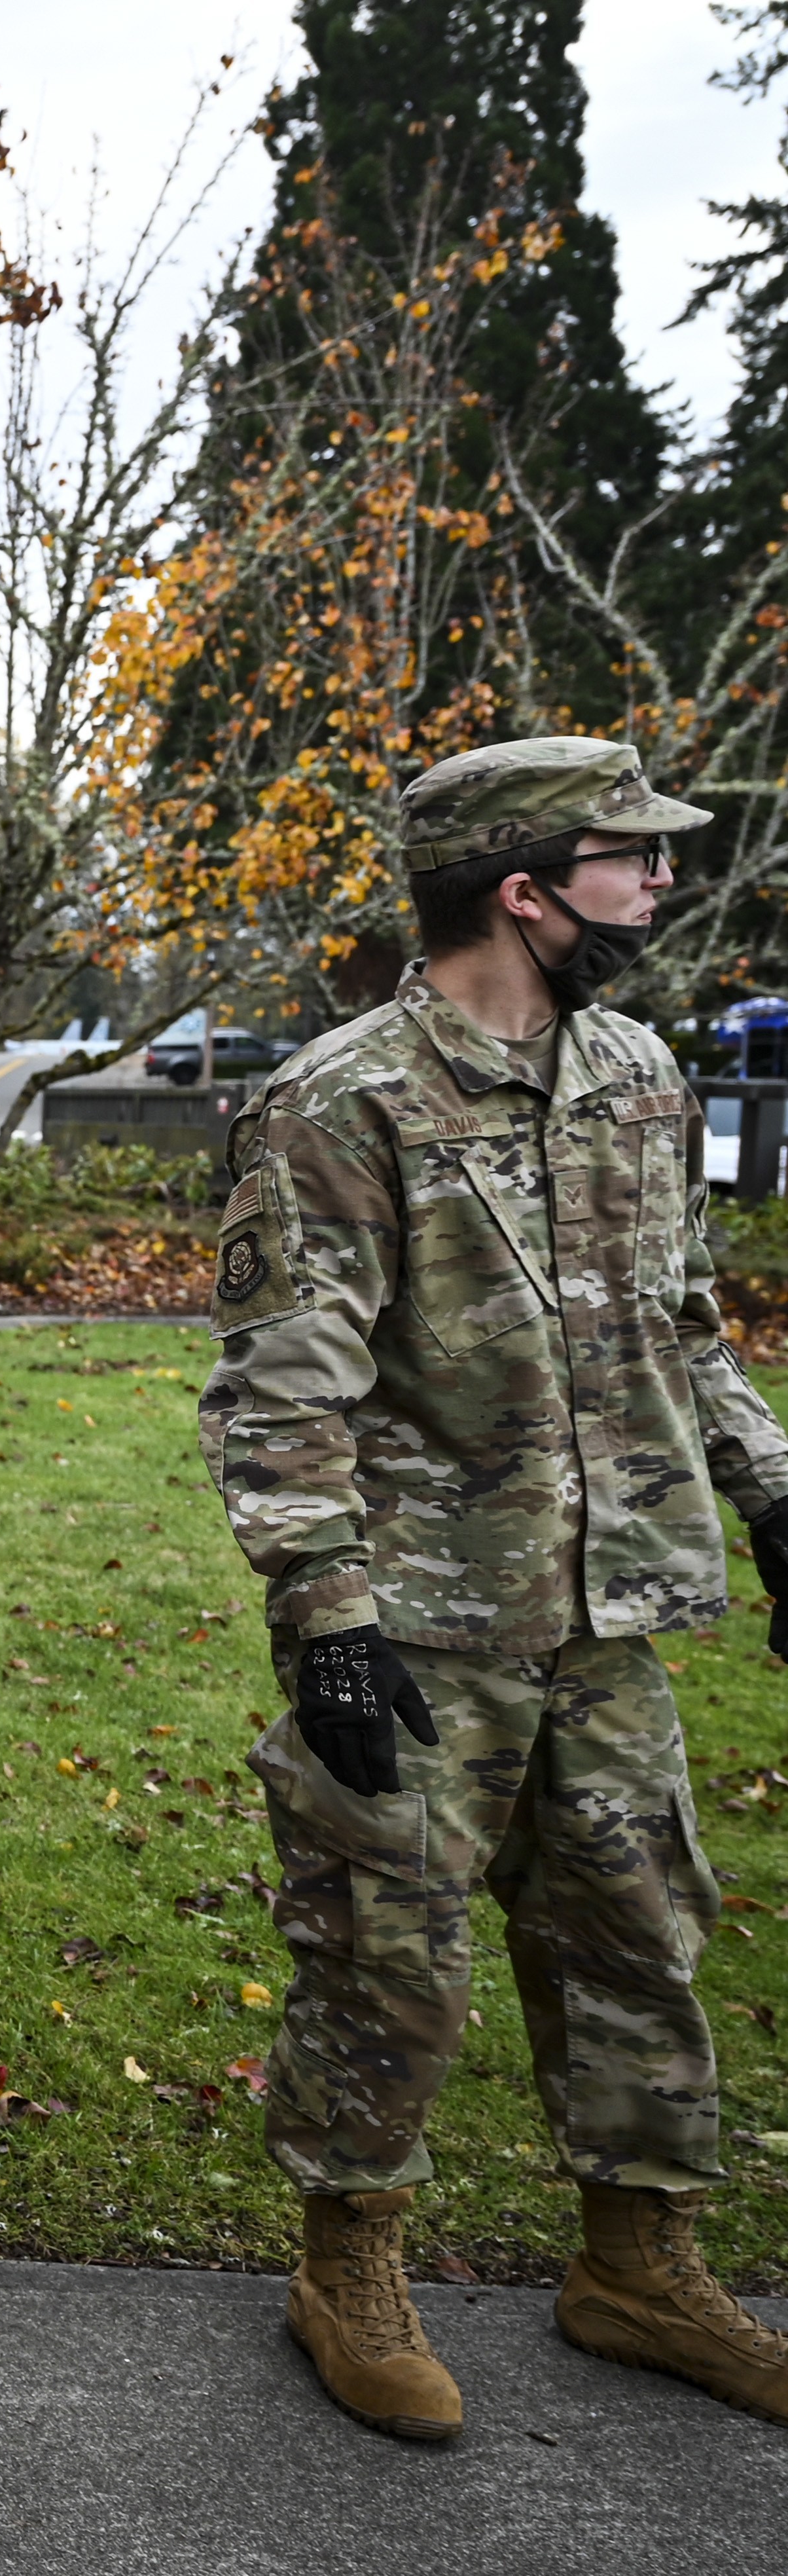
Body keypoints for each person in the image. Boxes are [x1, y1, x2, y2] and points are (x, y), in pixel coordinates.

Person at [206, 735, 788, 2438]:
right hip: (422, 1631)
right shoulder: (342, 1101)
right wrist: (323, 1615)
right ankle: (348, 2267)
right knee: (389, 1956)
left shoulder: (640, 1076)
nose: (664, 883)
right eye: (636, 857)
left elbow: (680, 1325)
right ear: (527, 890)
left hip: (609, 1616)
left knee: (639, 1936)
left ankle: (638, 2265)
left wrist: (767, 1493)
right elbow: (283, 1385)